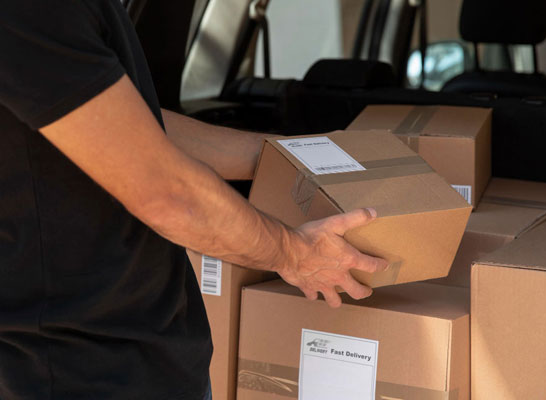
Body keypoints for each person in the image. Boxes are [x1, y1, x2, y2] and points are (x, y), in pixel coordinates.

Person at [0, 1, 388, 399]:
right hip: (72, 369)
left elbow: (134, 128)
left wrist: (296, 157)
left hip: (149, 356)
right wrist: (296, 255)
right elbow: (166, 192)